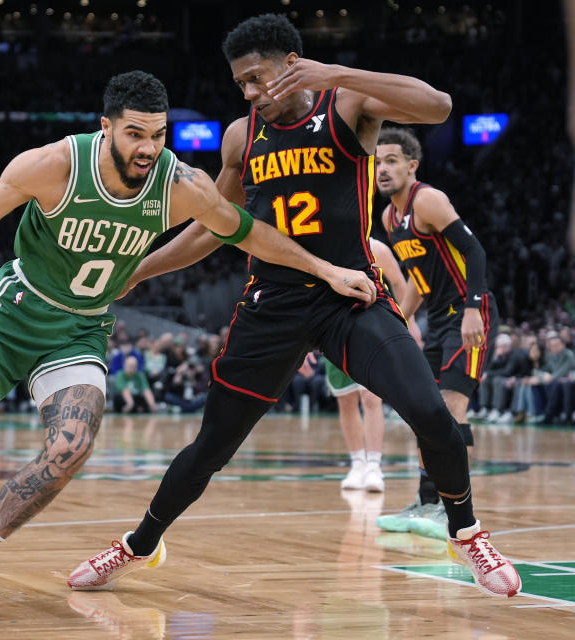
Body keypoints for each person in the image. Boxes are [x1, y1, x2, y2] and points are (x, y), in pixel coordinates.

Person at [0, 70, 378, 628]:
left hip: (81, 329)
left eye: (159, 135)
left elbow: (247, 231)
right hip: (14, 314)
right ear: (105, 126)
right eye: (135, 134)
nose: (149, 148)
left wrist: (325, 268)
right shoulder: (51, 166)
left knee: (71, 447)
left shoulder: (180, 184)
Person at [66, 17, 519, 599]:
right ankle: (140, 543)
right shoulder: (240, 136)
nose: (249, 92)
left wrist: (334, 71)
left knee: (431, 413)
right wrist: (139, 269)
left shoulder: (347, 102)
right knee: (211, 446)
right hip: (271, 304)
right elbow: (215, 228)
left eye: (257, 77)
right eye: (240, 83)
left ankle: (467, 532)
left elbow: (437, 105)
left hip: (347, 296)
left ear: (292, 63)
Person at [374, 127, 499, 540]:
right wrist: (396, 323)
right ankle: (427, 503)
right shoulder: (389, 217)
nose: (382, 168)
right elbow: (414, 282)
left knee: (448, 407)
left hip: (469, 312)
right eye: (376, 162)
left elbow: (474, 250)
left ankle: (455, 513)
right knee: (424, 412)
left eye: (391, 160)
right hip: (439, 318)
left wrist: (471, 309)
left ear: (412, 165)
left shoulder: (427, 199)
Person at [324, 238, 414, 493]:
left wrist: (410, 321)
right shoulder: (328, 246)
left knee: (371, 399)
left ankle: (374, 465)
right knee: (346, 400)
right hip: (333, 329)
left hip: (371, 330)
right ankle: (357, 463)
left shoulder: (377, 248)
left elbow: (399, 282)